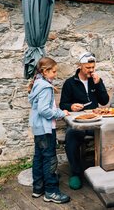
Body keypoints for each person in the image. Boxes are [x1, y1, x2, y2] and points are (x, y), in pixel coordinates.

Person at [60, 52, 109, 190]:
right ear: (80, 66)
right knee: (72, 135)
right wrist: (71, 106)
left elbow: (104, 101)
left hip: (95, 121)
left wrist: (98, 84)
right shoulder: (70, 83)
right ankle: (76, 173)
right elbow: (63, 104)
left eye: (93, 67)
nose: (91, 70)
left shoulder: (96, 80)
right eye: (88, 67)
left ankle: (107, 169)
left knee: (111, 132)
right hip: (78, 122)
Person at [28, 57, 70, 204]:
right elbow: (44, 110)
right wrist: (61, 113)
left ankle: (38, 188)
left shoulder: (38, 83)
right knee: (50, 159)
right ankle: (51, 191)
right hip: (46, 129)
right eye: (54, 71)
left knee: (39, 157)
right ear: (45, 71)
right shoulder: (45, 87)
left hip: (38, 128)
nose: (55, 74)